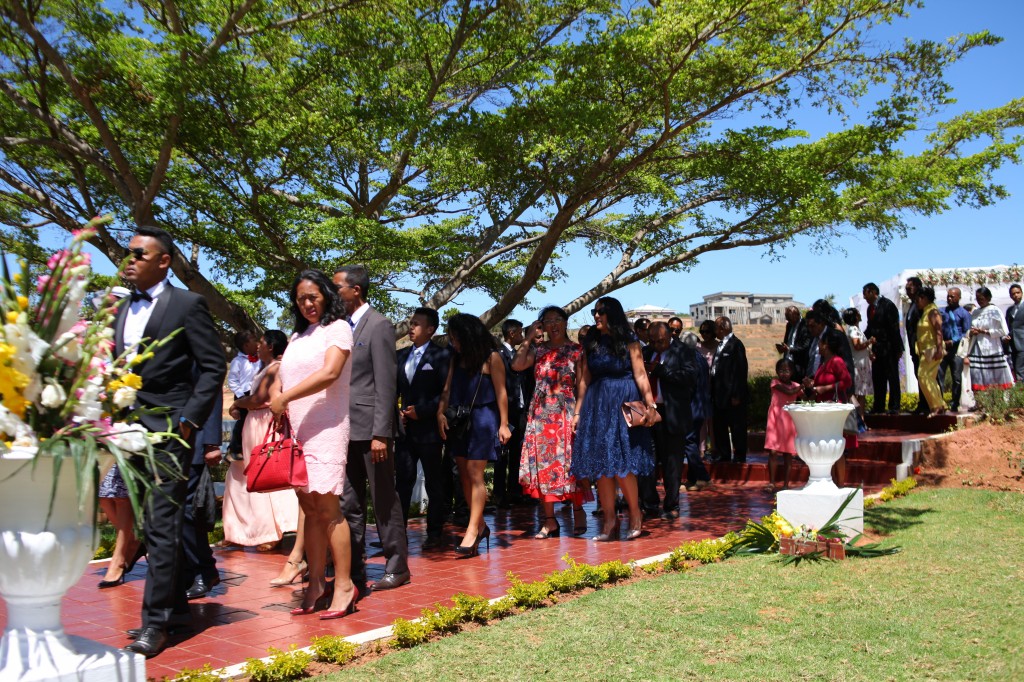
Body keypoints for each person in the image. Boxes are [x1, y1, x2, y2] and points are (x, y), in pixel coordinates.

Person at [117, 226, 225, 658]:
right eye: (128, 253)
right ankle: (176, 608)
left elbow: (213, 367)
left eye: (139, 254)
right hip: (128, 432)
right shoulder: (119, 309)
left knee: (162, 525)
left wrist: (188, 423)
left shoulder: (187, 304)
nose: (130, 260)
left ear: (163, 260)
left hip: (169, 433)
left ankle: (155, 623)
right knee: (151, 524)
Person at [271, 270, 358, 619]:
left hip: (327, 427)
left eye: (313, 296)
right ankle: (316, 583)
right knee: (309, 510)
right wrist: (279, 395)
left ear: (326, 295)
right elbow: (284, 374)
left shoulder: (337, 328)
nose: (307, 303)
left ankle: (345, 585)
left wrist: (286, 395)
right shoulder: (298, 334)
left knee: (328, 510)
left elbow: (330, 373)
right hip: (298, 429)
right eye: (300, 298)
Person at [333, 265, 409, 593]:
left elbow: (386, 384)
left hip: (372, 432)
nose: (331, 293)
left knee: (382, 500)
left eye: (337, 288)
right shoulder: (336, 328)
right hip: (343, 430)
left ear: (356, 291)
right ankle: (354, 568)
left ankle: (397, 566)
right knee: (348, 502)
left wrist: (382, 433)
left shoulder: (378, 325)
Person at [571, 297, 656, 542]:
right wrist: (578, 411)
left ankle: (636, 515)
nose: (596, 316)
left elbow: (640, 374)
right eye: (594, 312)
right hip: (597, 405)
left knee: (621, 463)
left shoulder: (629, 340)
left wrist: (649, 404)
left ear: (613, 314)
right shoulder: (591, 341)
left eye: (601, 312)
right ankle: (609, 522)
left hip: (623, 402)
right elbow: (585, 379)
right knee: (602, 466)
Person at [224, 331, 302, 573]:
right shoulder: (265, 368)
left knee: (262, 474)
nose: (258, 346)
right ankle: (241, 530)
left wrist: (238, 403)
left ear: (270, 346)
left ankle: (269, 531)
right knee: (242, 476)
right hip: (254, 423)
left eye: (262, 342)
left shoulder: (276, 368)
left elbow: (259, 399)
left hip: (262, 423)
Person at [437, 313, 511, 557]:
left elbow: (501, 393)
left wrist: (504, 424)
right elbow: (447, 389)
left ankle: (471, 529)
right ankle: (480, 526)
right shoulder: (455, 359)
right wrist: (440, 412)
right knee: (463, 476)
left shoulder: (492, 358)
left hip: (484, 419)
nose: (453, 342)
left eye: (456, 337)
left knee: (474, 473)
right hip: (459, 420)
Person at [513, 306, 586, 537]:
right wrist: (527, 339)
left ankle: (578, 510)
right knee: (543, 465)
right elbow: (516, 365)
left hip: (565, 412)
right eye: (547, 321)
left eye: (557, 320)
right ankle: (549, 520)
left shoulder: (577, 350)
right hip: (540, 415)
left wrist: (578, 414)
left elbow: (583, 385)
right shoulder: (539, 350)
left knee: (569, 465)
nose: (553, 324)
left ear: (565, 322)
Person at [395, 307, 451, 550]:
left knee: (433, 481)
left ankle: (435, 530)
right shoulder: (400, 355)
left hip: (430, 429)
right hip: (405, 430)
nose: (411, 327)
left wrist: (424, 410)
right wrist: (396, 412)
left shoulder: (442, 356)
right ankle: (398, 534)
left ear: (431, 329)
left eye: (416, 324)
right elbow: (393, 389)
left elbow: (446, 393)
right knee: (402, 481)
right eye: (410, 323)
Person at [639, 322, 697, 519]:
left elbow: (690, 377)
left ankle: (672, 505)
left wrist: (662, 371)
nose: (657, 345)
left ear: (670, 335)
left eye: (661, 341)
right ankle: (649, 504)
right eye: (653, 341)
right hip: (648, 414)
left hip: (671, 413)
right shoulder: (645, 352)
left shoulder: (683, 351)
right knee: (647, 461)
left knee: (672, 463)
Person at [182, 385, 223, 600]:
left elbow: (211, 387)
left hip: (191, 439)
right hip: (157, 438)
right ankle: (193, 570)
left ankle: (203, 571)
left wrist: (211, 441)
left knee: (187, 511)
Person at [802, 332, 854, 486]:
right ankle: (830, 482)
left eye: (820, 343)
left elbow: (847, 381)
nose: (818, 346)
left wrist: (825, 388)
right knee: (827, 447)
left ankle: (840, 484)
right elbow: (821, 385)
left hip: (835, 409)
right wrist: (811, 385)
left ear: (827, 345)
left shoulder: (836, 361)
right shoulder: (823, 363)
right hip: (823, 409)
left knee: (836, 447)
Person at [495, 318, 530, 508]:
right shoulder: (499, 355)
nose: (522, 336)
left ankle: (515, 492)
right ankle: (500, 495)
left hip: (520, 409)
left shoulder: (519, 355)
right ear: (512, 333)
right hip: (506, 410)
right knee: (503, 454)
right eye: (519, 332)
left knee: (518, 451)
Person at [97, 466, 145, 588]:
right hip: (104, 449)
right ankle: (132, 540)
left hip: (125, 450)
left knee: (121, 496)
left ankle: (118, 560)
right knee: (103, 496)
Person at [711, 316, 748, 463]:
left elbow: (740, 371)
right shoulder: (720, 344)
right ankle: (723, 453)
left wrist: (737, 394)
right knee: (719, 425)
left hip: (732, 395)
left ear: (723, 328)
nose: (715, 331)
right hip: (719, 393)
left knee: (736, 426)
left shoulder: (736, 345)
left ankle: (739, 455)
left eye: (716, 328)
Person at [862, 282, 903, 414]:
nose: (865, 298)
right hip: (877, 349)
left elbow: (894, 328)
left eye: (866, 294)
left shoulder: (888, 305)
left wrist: (897, 348)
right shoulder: (870, 309)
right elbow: (870, 329)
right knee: (878, 378)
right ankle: (878, 406)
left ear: (873, 292)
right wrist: (861, 338)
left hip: (889, 348)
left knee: (892, 377)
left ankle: (894, 406)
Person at [679, 332, 712, 492]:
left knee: (689, 441)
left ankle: (702, 476)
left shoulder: (689, 360)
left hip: (692, 407)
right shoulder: (701, 358)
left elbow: (688, 385)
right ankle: (693, 479)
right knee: (693, 439)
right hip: (700, 406)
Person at [966, 286, 1015, 392]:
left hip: (992, 347)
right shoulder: (975, 312)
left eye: (981, 299)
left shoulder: (994, 310)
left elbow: (1003, 331)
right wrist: (972, 332)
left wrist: (985, 332)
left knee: (995, 375)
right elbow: (970, 327)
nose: (979, 301)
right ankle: (981, 400)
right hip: (977, 347)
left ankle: (997, 399)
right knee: (978, 374)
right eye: (977, 299)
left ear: (988, 298)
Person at [764, 358, 801, 490]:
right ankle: (772, 482)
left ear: (792, 372)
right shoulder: (775, 382)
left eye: (787, 370)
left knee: (788, 454)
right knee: (773, 451)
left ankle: (786, 484)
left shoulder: (796, 386)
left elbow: (807, 397)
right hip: (775, 420)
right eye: (781, 370)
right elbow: (789, 392)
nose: (784, 373)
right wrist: (803, 386)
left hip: (789, 422)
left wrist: (810, 387)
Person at [226, 331, 260, 460]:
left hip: (256, 393)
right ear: (246, 345)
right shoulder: (237, 361)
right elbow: (232, 381)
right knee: (243, 421)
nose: (257, 344)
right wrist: (241, 397)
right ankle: (234, 448)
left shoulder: (261, 359)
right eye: (254, 340)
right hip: (243, 394)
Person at [938, 287, 971, 412]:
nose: (949, 298)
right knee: (939, 375)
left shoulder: (964, 313)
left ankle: (955, 403)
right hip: (943, 348)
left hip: (957, 350)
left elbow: (966, 333)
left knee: (956, 377)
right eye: (948, 296)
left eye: (952, 296)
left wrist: (954, 341)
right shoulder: (942, 312)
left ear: (959, 297)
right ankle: (940, 402)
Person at [914, 287, 945, 416]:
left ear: (925, 298)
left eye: (918, 299)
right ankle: (939, 405)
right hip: (926, 350)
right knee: (929, 378)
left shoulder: (933, 312)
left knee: (923, 376)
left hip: (932, 349)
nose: (916, 302)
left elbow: (939, 331)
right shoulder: (926, 312)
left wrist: (939, 349)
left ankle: (936, 406)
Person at [842, 307, 872, 425]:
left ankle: (860, 421)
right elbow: (857, 346)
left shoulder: (856, 329)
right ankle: (859, 421)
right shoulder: (853, 330)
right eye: (858, 313)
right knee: (859, 394)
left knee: (860, 394)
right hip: (858, 365)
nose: (860, 315)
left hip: (862, 363)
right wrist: (869, 342)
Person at [904, 276, 928, 415]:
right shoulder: (912, 304)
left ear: (918, 287)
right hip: (915, 349)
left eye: (910, 288)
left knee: (926, 377)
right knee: (919, 375)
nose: (907, 290)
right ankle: (922, 404)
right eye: (906, 288)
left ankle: (930, 405)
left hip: (923, 348)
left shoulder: (921, 305)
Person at [777, 305, 809, 381]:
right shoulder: (789, 325)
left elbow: (805, 346)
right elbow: (786, 341)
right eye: (788, 319)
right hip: (787, 361)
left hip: (799, 363)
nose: (790, 321)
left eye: (791, 319)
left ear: (796, 315)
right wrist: (782, 348)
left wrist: (790, 349)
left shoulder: (805, 325)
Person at [1005, 284, 1024, 382]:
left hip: (1022, 342)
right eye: (1013, 294)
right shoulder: (1010, 310)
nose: (1016, 295)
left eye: (1018, 293)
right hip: (1013, 344)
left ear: (1022, 293)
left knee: (1020, 370)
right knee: (1016, 369)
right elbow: (1008, 326)